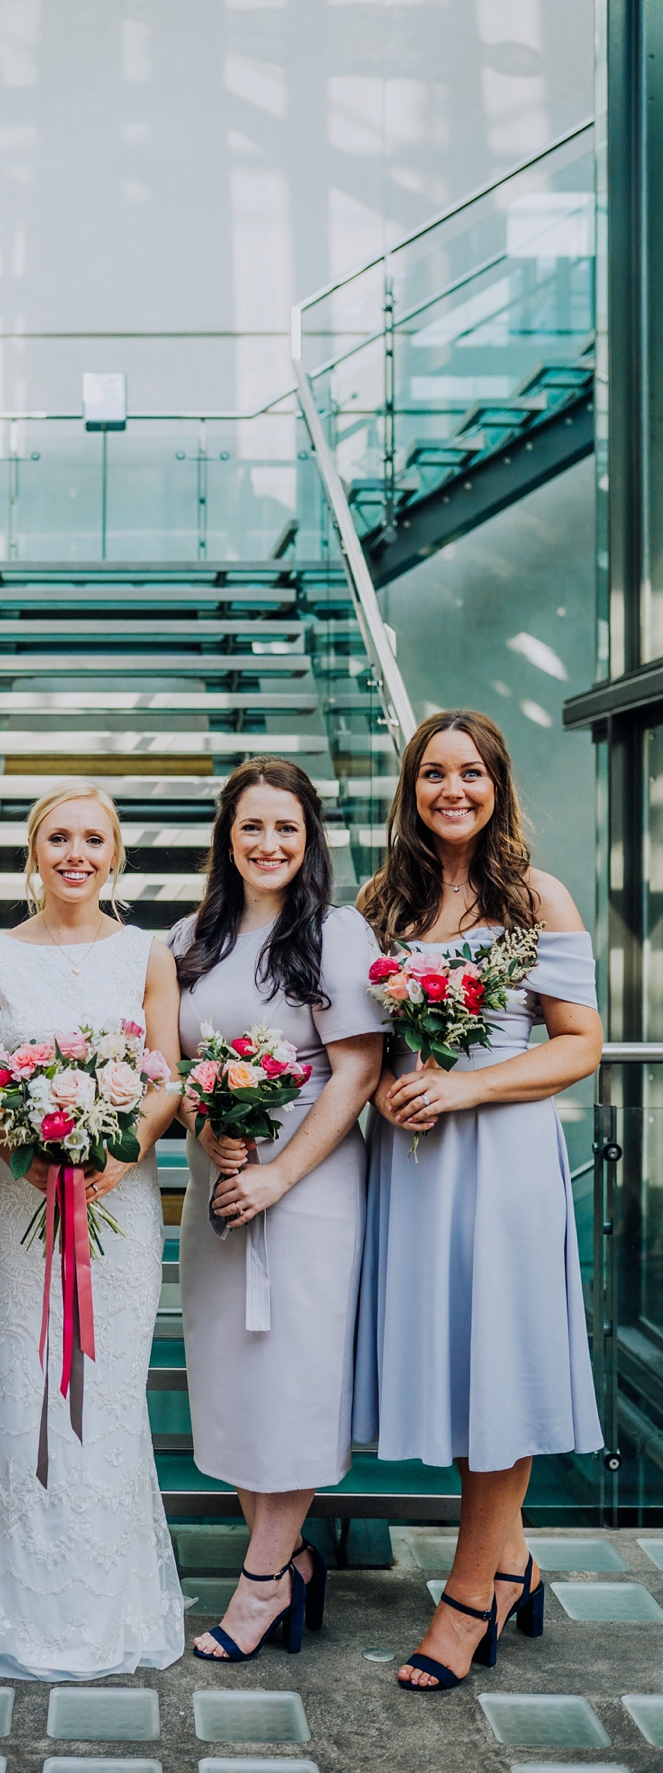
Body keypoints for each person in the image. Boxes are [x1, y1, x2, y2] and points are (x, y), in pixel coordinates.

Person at [355, 709, 603, 1693]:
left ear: (498, 785)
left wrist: (464, 1085)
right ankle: (513, 1567)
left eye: (470, 774)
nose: (451, 790)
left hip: (500, 1164)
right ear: (410, 790)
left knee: (499, 1365)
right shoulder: (385, 906)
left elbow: (577, 1045)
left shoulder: (534, 897)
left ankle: (466, 1602)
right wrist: (384, 1086)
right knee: (461, 1375)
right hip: (413, 1172)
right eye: (431, 774)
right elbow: (365, 1047)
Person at [0, 779, 186, 1681]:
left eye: (92, 839)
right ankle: (15, 1601)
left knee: (107, 1395)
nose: (75, 854)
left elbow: (166, 1075)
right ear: (33, 851)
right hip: (19, 1199)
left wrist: (118, 1154)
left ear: (114, 854)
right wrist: (32, 1146)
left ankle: (103, 1603)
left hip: (120, 1199)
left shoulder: (148, 952)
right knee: (19, 1386)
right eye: (58, 838)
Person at [168, 758, 385, 1661]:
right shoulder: (189, 939)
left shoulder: (338, 933)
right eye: (252, 826)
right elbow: (172, 1068)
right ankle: (289, 1558)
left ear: (310, 840)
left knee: (292, 1379)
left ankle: (259, 1585)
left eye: (286, 829)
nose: (268, 844)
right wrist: (206, 1120)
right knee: (235, 1380)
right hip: (217, 1184)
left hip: (310, 1187)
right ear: (227, 835)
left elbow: (360, 1070)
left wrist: (279, 1175)